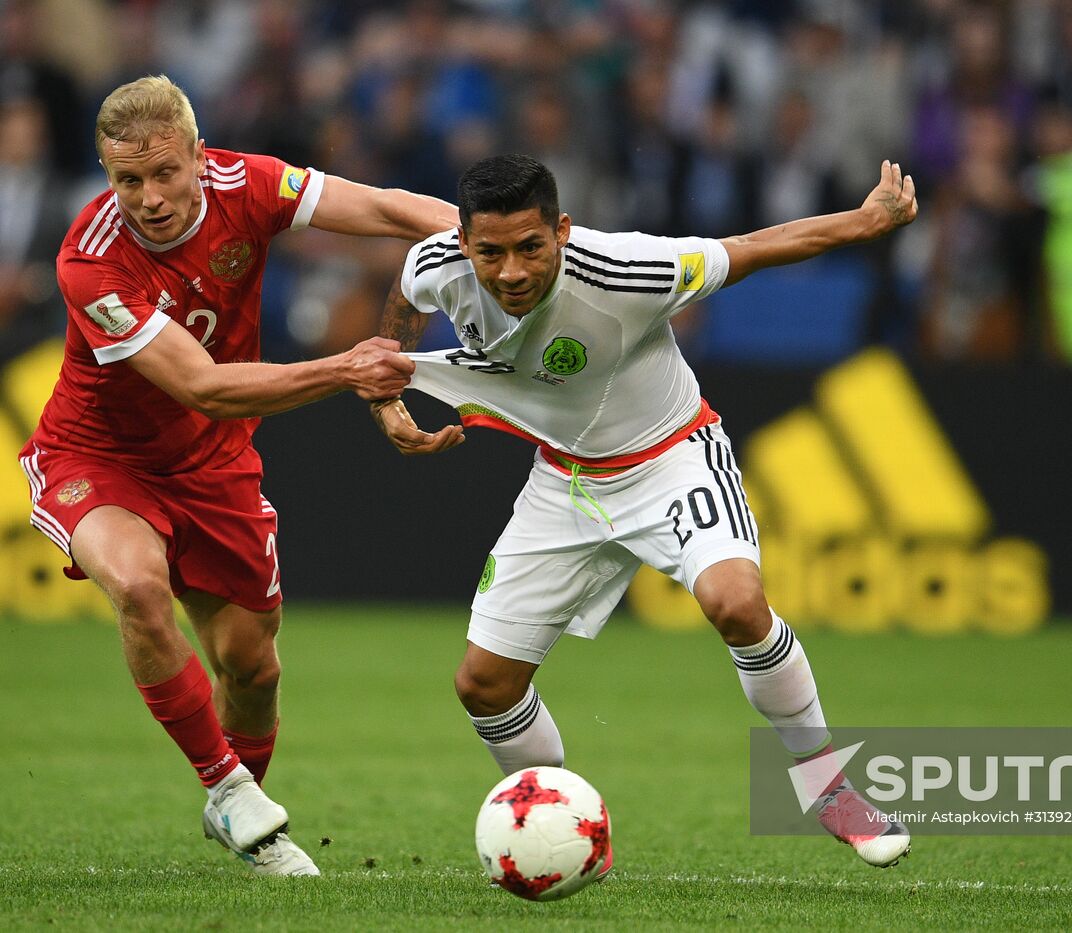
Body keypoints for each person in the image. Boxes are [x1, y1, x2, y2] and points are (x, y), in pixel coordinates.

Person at [371, 153, 918, 871]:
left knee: (737, 602)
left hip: (671, 459)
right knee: (483, 685)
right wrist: (387, 394)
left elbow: (750, 249)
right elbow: (404, 304)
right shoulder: (435, 263)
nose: (510, 272)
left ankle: (831, 789)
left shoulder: (627, 269)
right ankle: (555, 823)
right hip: (562, 480)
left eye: (531, 247)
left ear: (562, 231)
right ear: (465, 242)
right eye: (490, 252)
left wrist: (865, 219)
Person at [17, 75, 458, 876]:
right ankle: (226, 787)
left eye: (164, 174)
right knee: (140, 587)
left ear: (197, 154)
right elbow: (203, 386)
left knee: (252, 669)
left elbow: (390, 209)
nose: (148, 198)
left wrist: (485, 240)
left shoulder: (246, 184)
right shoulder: (90, 260)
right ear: (107, 174)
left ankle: (240, 808)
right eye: (127, 180)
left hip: (213, 464)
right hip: (98, 457)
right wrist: (348, 367)